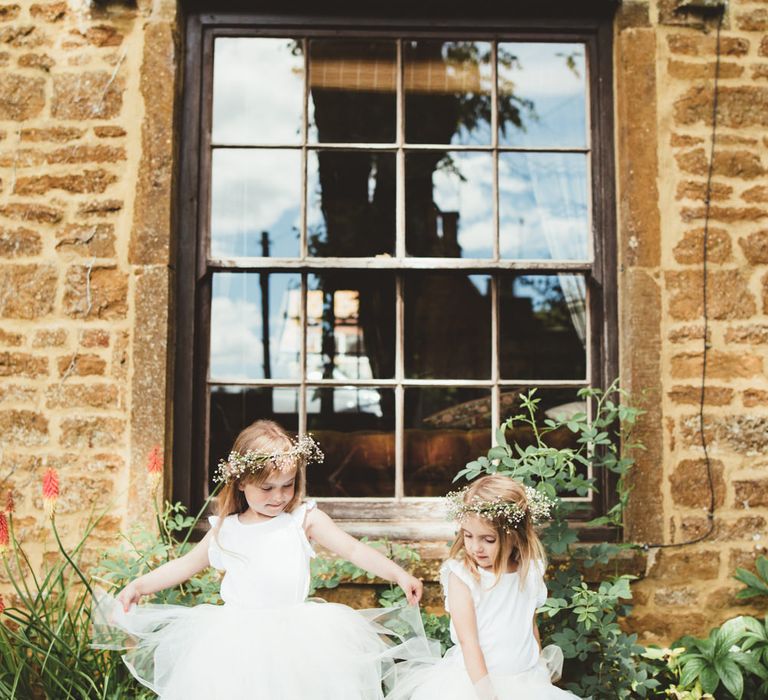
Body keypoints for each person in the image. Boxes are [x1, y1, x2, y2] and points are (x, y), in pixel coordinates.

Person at [93, 420, 423, 700]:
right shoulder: (226, 529)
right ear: (241, 481)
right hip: (234, 643)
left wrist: (399, 574)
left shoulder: (303, 520)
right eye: (267, 488)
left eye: (287, 485)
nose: (279, 497)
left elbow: (353, 550)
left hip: (298, 640)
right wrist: (140, 584)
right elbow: (185, 565)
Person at [387, 474, 579, 700]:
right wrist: (487, 694)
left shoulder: (529, 572)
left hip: (525, 681)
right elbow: (469, 642)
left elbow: (530, 624)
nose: (475, 547)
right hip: (474, 684)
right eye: (468, 536)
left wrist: (538, 672)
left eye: (488, 540)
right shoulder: (463, 577)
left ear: (515, 537)